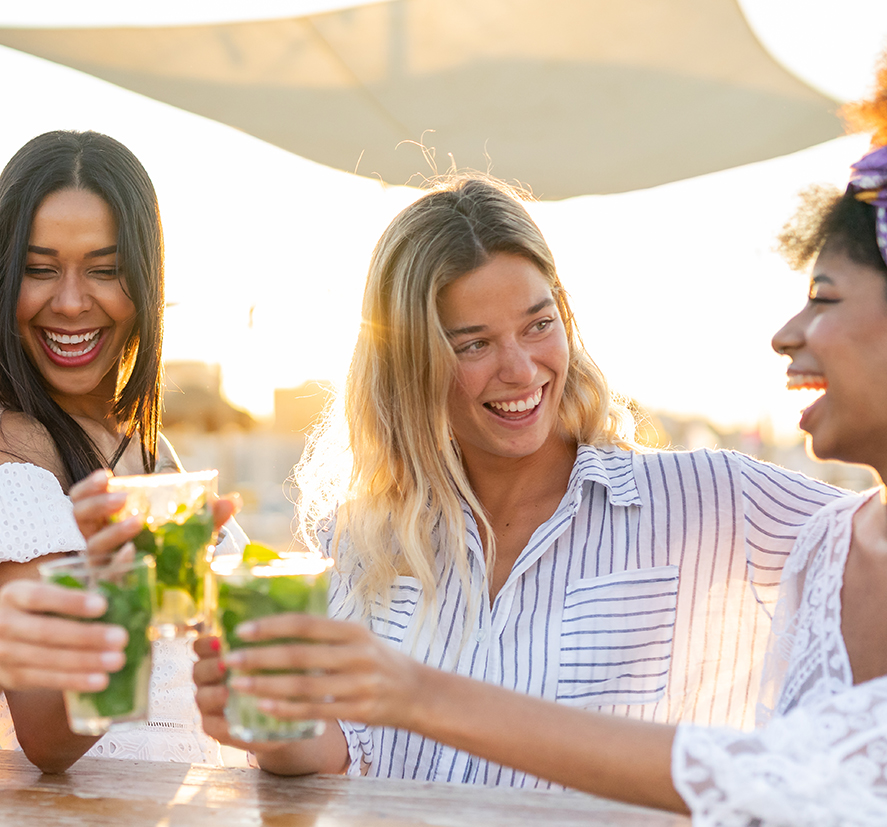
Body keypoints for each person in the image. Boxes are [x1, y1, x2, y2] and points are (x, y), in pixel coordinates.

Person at [180, 104, 887, 821]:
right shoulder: (361, 541)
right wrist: (267, 723)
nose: (519, 370)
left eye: (538, 324)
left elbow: (867, 538)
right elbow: (342, 753)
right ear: (408, 366)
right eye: (472, 343)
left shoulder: (712, 500)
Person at [0, 130, 237, 773]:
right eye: (39, 269)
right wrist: (127, 592)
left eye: (105, 271)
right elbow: (48, 736)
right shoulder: (12, 472)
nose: (72, 301)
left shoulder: (152, 453)